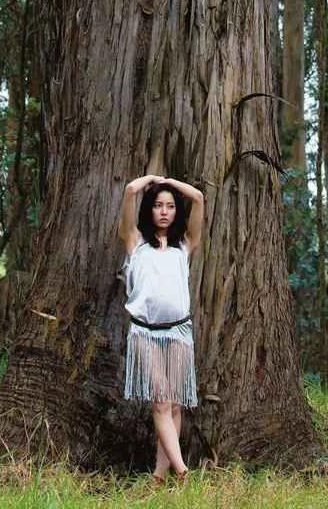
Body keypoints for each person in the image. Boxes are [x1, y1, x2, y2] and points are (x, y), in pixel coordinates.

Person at [118, 172, 204, 485]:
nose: (164, 211)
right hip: (145, 332)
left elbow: (198, 198)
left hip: (179, 332)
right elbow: (129, 190)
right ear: (149, 210)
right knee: (161, 402)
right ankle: (182, 472)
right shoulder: (135, 241)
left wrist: (171, 183)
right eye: (158, 205)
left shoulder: (185, 244)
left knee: (176, 404)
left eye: (169, 206)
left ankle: (159, 476)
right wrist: (151, 180)